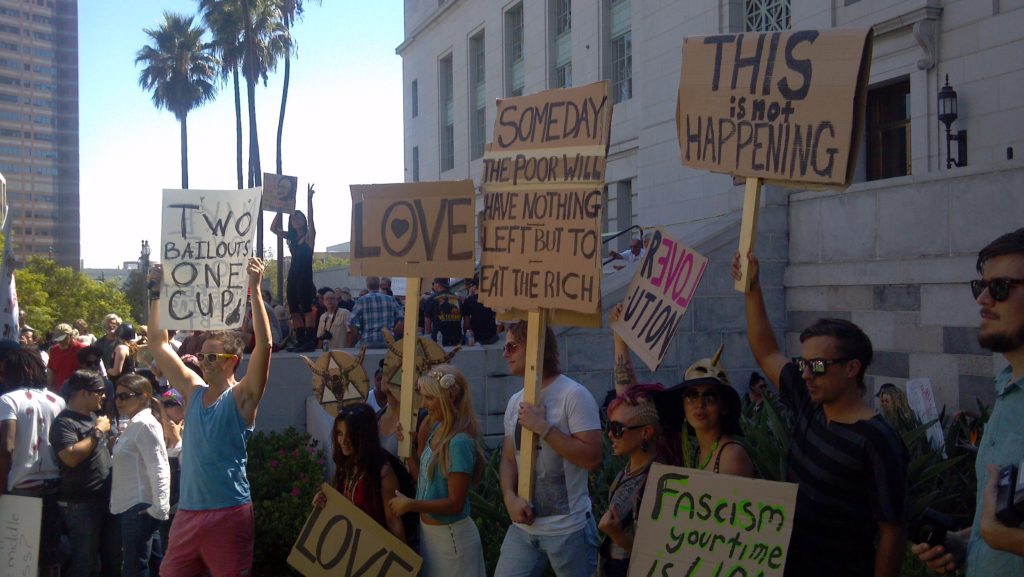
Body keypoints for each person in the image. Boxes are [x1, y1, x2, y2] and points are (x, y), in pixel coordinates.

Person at [734, 251, 908, 577]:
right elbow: (767, 351)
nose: (805, 375)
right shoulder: (809, 402)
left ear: (852, 368)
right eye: (802, 364)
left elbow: (892, 531)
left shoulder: (878, 440)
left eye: (817, 366)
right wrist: (752, 287)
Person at [147, 257, 273, 577]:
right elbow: (158, 344)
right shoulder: (192, 389)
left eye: (212, 356)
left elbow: (266, 346)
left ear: (232, 360)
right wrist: (155, 290)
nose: (204, 361)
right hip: (188, 514)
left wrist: (254, 290)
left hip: (229, 514)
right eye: (202, 356)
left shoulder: (242, 397)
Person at [913, 228, 1024, 576]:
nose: (983, 299)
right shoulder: (1009, 390)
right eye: (981, 286)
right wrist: (969, 541)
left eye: (1001, 288)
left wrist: (1000, 537)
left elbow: (1003, 533)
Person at [494, 320, 604, 577]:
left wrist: (543, 428)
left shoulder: (573, 395)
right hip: (523, 530)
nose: (505, 353)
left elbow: (593, 458)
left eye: (512, 346)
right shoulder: (515, 401)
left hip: (568, 531)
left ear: (535, 349)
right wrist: (509, 497)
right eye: (505, 346)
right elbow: (509, 460)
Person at [389, 365, 486, 576]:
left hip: (452, 541)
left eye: (429, 398)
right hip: (431, 536)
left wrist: (411, 505)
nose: (424, 404)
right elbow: (424, 479)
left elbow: (454, 503)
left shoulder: (458, 442)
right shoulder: (436, 429)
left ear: (449, 396)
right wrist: (409, 450)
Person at [0, 348, 65, 577]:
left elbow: (6, 448)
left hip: (20, 489)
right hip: (54, 486)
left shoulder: (8, 401)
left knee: (18, 561)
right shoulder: (57, 401)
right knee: (49, 556)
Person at [50, 370, 121, 577]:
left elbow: (99, 450)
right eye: (99, 391)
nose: (104, 396)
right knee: (85, 563)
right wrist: (98, 432)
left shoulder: (92, 418)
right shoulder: (64, 422)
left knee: (110, 560)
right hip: (80, 505)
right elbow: (70, 457)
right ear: (82, 393)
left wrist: (113, 441)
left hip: (106, 499)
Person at [312, 403, 414, 545]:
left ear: (364, 436)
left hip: (374, 553)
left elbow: (393, 521)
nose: (343, 441)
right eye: (339, 433)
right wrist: (322, 499)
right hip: (348, 549)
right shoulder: (345, 464)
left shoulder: (383, 472)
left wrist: (404, 564)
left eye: (351, 434)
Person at [598, 384, 671, 577]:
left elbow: (660, 551)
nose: (610, 434)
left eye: (617, 428)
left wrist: (617, 535)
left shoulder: (659, 481)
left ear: (645, 433)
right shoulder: (628, 471)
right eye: (609, 426)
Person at [111, 374, 170, 577]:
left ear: (143, 396)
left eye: (125, 396)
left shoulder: (145, 424)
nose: (118, 401)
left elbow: (159, 465)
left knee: (134, 567)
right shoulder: (134, 423)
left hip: (138, 506)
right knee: (151, 565)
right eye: (116, 396)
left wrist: (159, 507)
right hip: (134, 506)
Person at [271, 183, 317, 352]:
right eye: (293, 218)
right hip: (293, 277)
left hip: (305, 277)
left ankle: (310, 340)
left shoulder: (309, 236)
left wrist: (309, 200)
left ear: (303, 220)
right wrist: (280, 209)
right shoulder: (290, 236)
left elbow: (311, 220)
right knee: (294, 311)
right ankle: (300, 338)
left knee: (306, 309)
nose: (296, 221)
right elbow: (273, 229)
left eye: (298, 218)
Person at [348, 276, 403, 348]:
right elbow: (402, 318)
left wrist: (358, 336)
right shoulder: (390, 299)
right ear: (379, 285)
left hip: (367, 341)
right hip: (388, 341)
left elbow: (350, 323)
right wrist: (394, 332)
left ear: (367, 285)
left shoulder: (361, 300)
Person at [423, 278, 463, 346]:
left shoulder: (431, 300)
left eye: (433, 283)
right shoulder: (457, 299)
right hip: (457, 339)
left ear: (438, 284)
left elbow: (427, 324)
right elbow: (460, 318)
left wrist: (428, 338)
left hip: (439, 340)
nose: (433, 286)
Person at [462, 276, 500, 345]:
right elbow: (499, 320)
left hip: (477, 339)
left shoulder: (468, 301)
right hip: (494, 338)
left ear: (475, 287)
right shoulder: (493, 300)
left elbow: (466, 325)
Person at [48, 322, 86, 391]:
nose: (61, 342)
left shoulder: (82, 349)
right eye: (58, 339)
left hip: (76, 393)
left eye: (63, 338)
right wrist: (49, 388)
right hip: (58, 393)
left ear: (70, 335)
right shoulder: (54, 350)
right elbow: (51, 371)